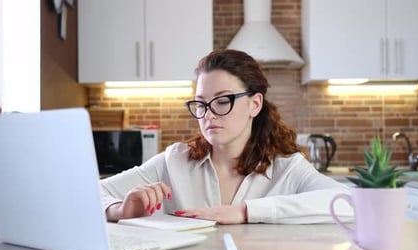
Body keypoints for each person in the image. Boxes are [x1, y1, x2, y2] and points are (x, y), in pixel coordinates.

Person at [100, 49, 353, 225]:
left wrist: (246, 212)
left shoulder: (288, 169)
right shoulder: (173, 162)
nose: (208, 114)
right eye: (201, 103)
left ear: (255, 104)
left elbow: (349, 204)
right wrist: (122, 209)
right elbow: (91, 193)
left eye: (222, 101)